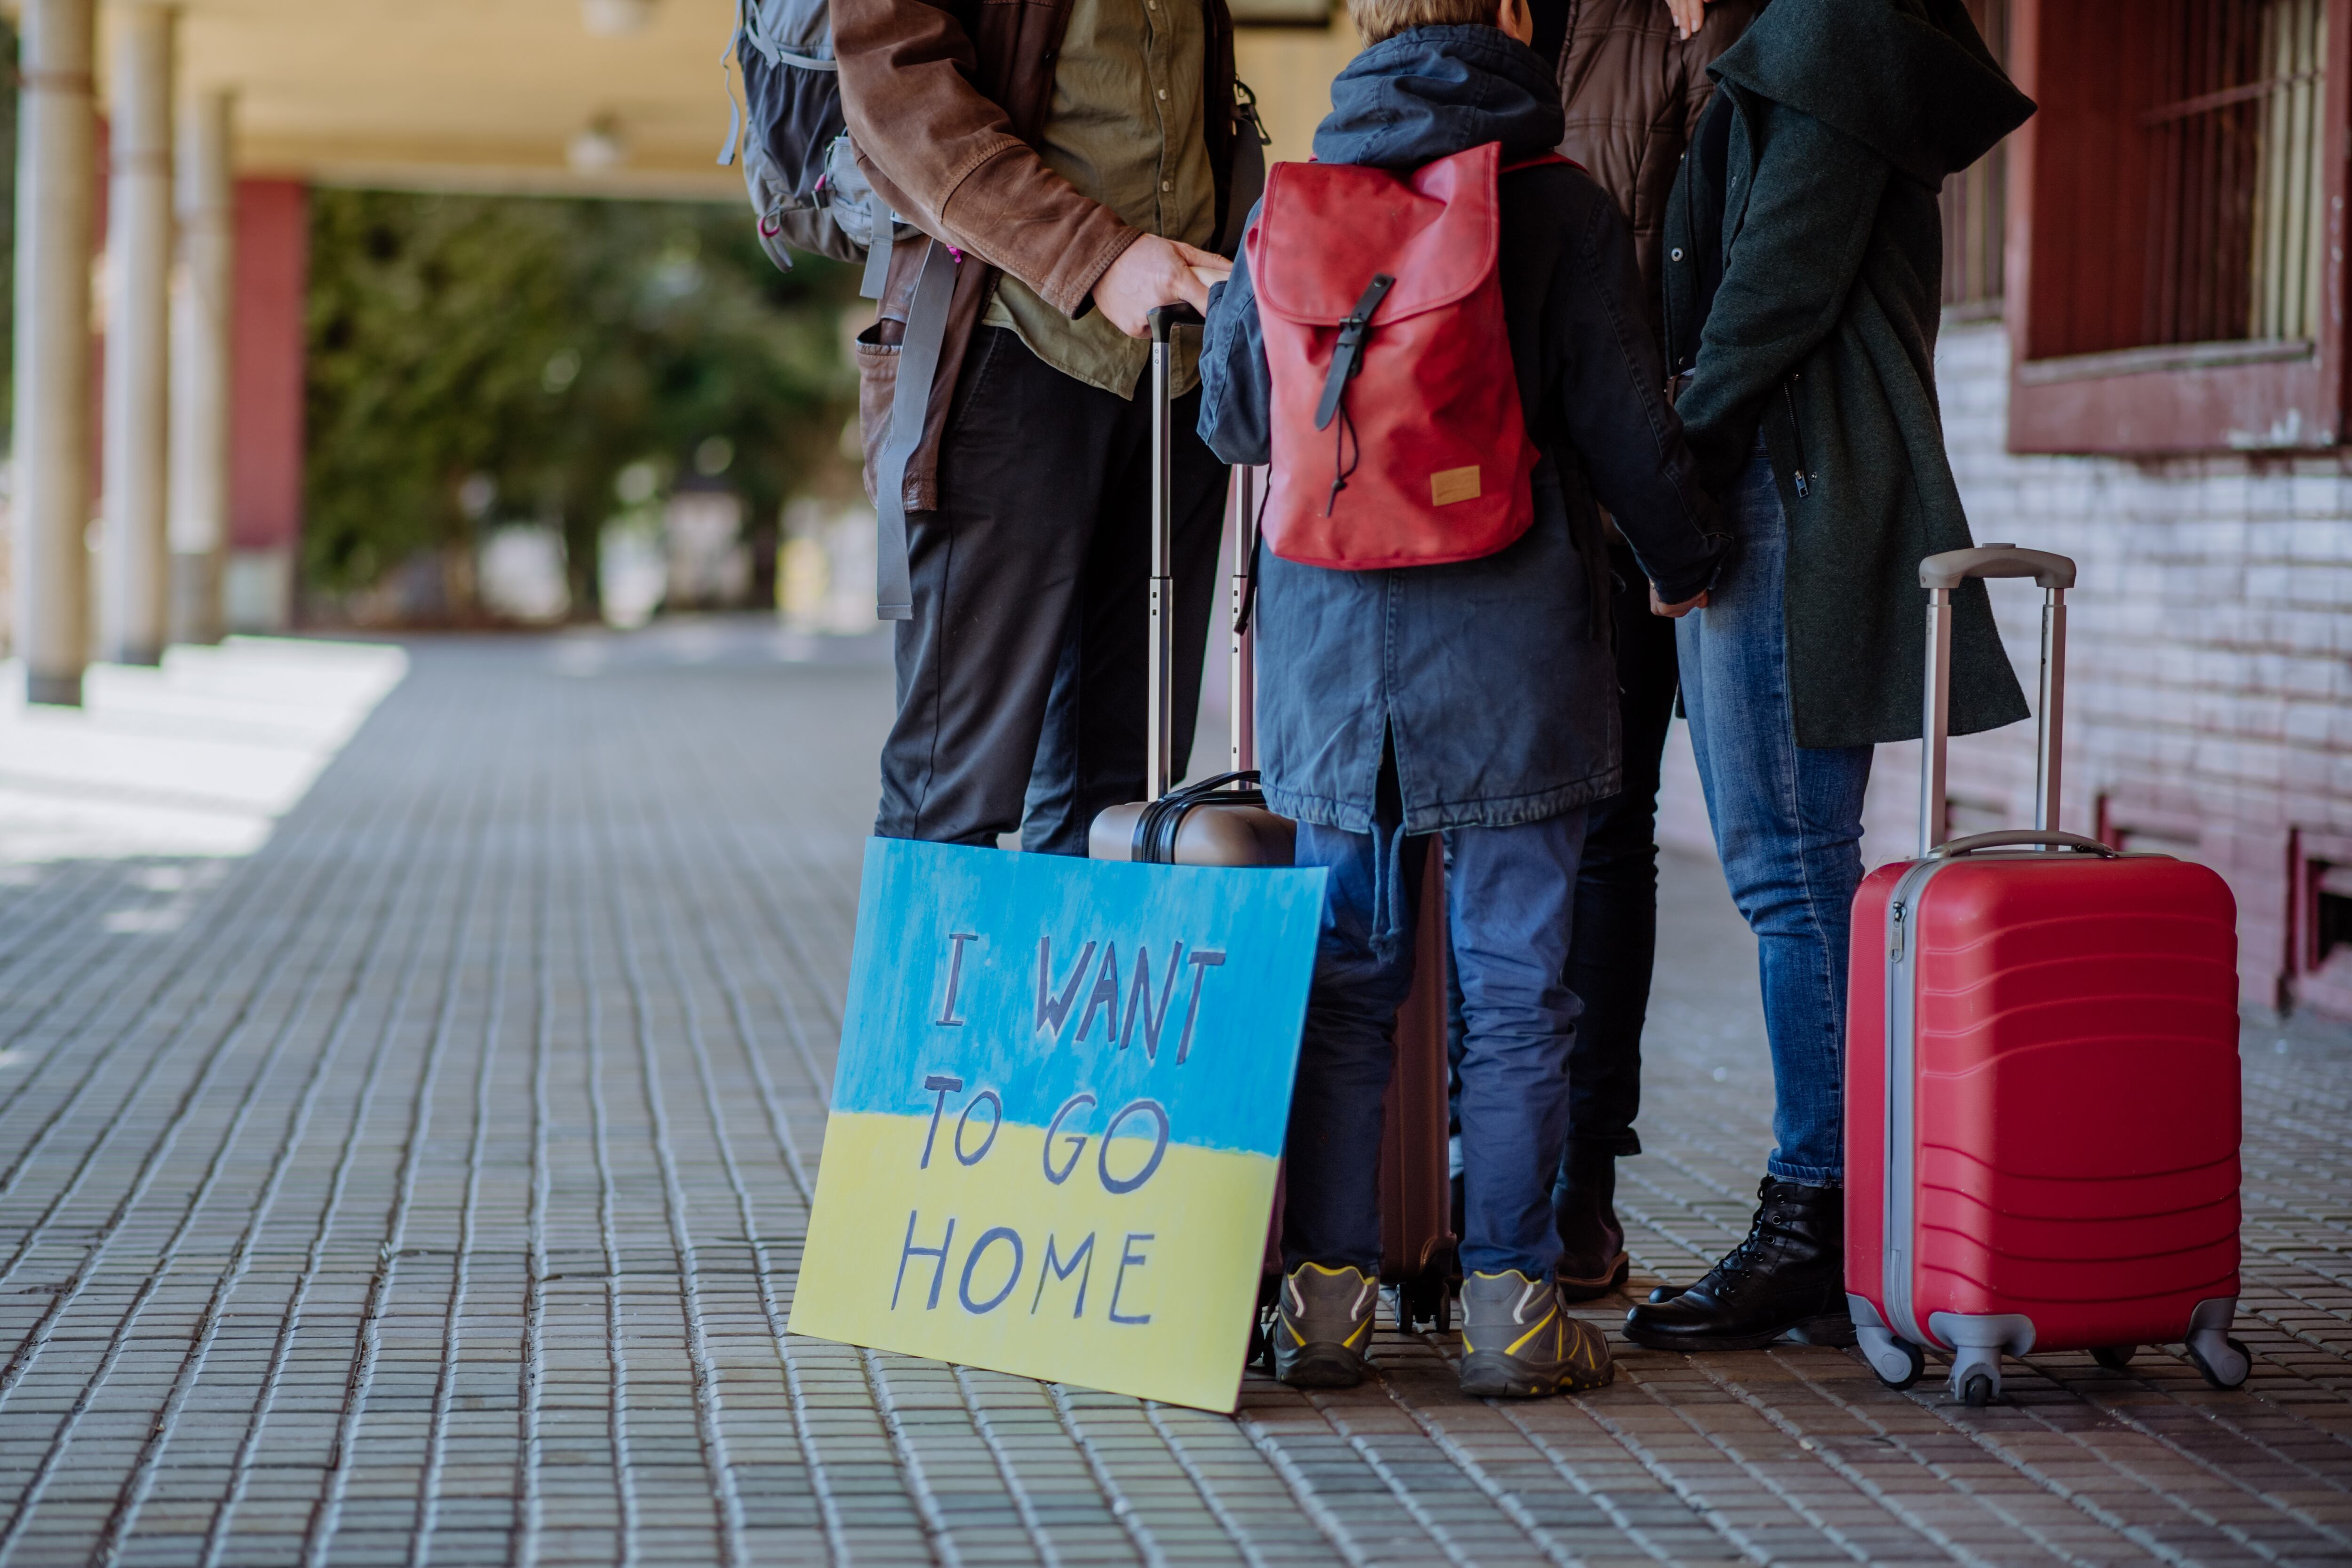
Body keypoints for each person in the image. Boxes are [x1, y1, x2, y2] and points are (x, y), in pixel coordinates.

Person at [1198, 0, 1727, 1396]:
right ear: (1507, 21)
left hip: (1330, 665)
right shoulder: (1555, 203)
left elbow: (1233, 419)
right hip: (1512, 657)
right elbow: (1625, 424)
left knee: (1348, 988)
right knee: (1513, 991)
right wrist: (1688, 565)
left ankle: (1324, 1306)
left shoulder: (1294, 201)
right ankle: (1510, 1307)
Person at [1622, 0, 2032, 1353]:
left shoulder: (1834, 34)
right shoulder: (1791, 43)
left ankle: (1822, 1212)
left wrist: (1662, 454)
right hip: (1762, 482)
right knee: (1787, 860)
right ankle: (1841, 1205)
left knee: (1793, 862)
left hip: (1784, 489)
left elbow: (1774, 287)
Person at [834, 0, 1249, 852]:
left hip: (1176, 368)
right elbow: (895, 85)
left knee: (1123, 800)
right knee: (953, 792)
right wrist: (1095, 255)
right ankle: (936, 995)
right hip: (1005, 343)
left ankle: (1056, 997)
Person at [1540, 0, 1763, 1300]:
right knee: (1494, 832)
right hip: (1503, 482)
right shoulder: (1529, 20)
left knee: (1612, 825)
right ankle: (1471, 1162)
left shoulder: (1712, 23)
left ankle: (1579, 1181)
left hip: (1650, 480)